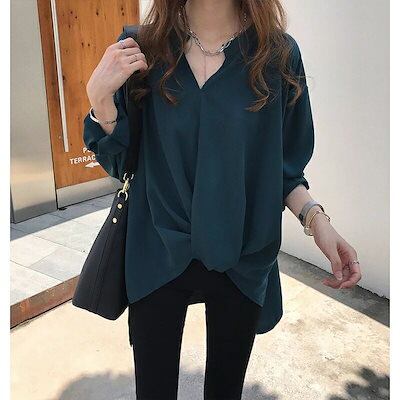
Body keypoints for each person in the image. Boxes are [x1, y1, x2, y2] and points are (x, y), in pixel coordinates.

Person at [83, 0, 362, 398]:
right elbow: (120, 162)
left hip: (241, 252)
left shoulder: (276, 54)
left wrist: (317, 221)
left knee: (225, 391)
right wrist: (100, 100)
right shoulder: (143, 50)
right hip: (156, 248)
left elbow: (283, 169)